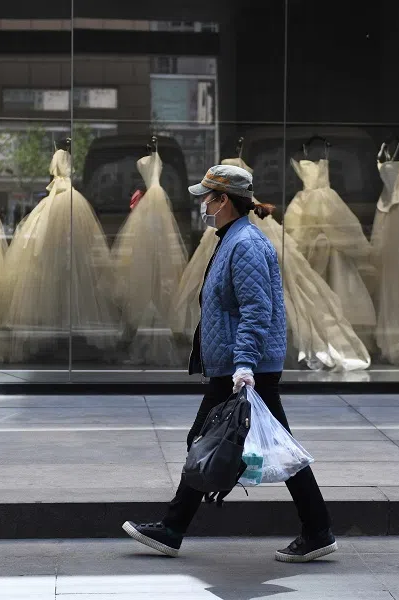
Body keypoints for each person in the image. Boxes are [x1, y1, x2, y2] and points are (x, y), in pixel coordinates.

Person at [122, 164, 337, 563]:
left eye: (208, 196)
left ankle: (175, 528)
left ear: (224, 201)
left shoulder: (246, 244)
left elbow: (257, 310)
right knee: (231, 442)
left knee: (222, 443)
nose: (203, 203)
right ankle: (315, 528)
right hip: (237, 367)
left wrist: (244, 366)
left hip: (246, 370)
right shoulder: (232, 238)